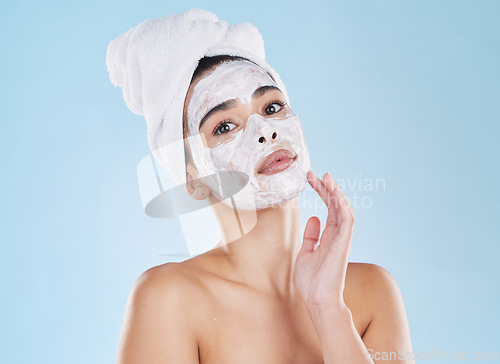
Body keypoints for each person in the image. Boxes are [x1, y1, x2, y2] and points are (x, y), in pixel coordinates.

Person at [107, 10, 414, 364]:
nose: (265, 132)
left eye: (272, 106)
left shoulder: (371, 293)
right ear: (194, 179)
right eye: (225, 127)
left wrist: (328, 308)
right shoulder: (170, 300)